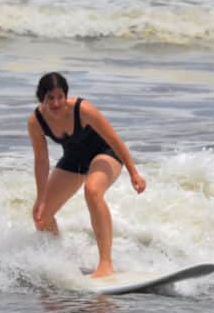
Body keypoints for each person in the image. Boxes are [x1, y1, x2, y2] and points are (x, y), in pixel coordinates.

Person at [28, 71, 145, 278]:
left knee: (92, 190)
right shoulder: (36, 122)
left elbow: (116, 140)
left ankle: (106, 263)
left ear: (66, 95)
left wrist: (133, 172)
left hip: (106, 153)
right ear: (41, 98)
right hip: (75, 159)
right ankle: (59, 261)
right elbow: (41, 161)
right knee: (41, 215)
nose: (56, 103)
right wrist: (40, 198)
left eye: (60, 97)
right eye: (50, 98)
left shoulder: (83, 110)